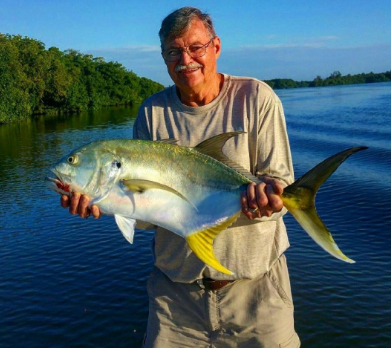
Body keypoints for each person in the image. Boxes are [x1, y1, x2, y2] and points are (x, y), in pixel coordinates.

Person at [61, 7, 300, 348]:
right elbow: (149, 213)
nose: (185, 59)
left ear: (215, 46)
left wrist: (272, 200)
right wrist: (105, 206)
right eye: (173, 51)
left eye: (195, 47)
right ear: (163, 57)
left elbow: (280, 191)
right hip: (175, 300)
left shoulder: (257, 98)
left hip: (257, 296)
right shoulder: (152, 112)